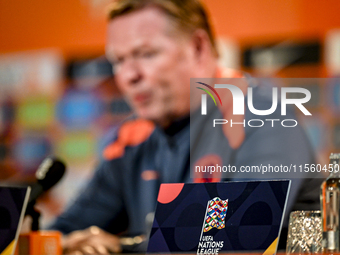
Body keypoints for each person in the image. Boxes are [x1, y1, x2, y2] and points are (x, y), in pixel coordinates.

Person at [50, 0, 322, 253]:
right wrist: (70, 243)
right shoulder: (131, 137)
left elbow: (239, 232)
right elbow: (62, 232)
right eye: (118, 61)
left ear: (198, 48)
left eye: (145, 54)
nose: (129, 75)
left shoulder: (262, 115)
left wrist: (121, 247)